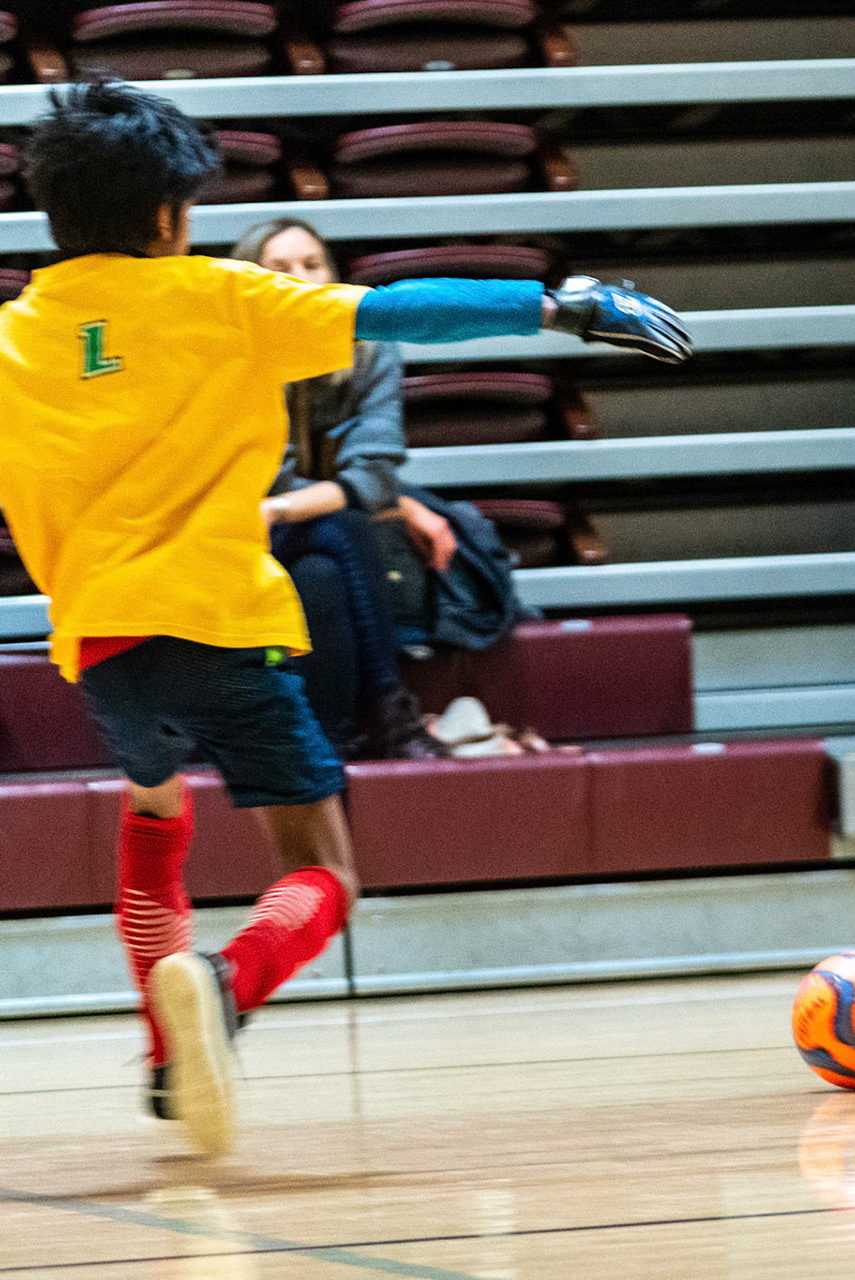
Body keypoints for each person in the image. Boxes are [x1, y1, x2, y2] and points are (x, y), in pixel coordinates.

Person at [0, 79, 690, 1157]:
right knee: (323, 869)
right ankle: (224, 986)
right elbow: (396, 309)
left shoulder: (17, 335)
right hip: (220, 620)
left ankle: (170, 1058)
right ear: (168, 216)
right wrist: (561, 305)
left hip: (97, 643)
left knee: (152, 817)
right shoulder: (222, 298)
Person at [230, 217, 446, 758]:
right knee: (343, 524)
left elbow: (373, 473)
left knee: (322, 574)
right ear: (252, 282)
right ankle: (390, 712)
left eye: (312, 264)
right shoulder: (233, 356)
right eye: (279, 269)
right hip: (231, 533)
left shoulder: (370, 348)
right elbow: (269, 473)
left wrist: (280, 509)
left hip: (295, 529)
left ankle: (328, 741)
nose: (301, 279)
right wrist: (387, 501)